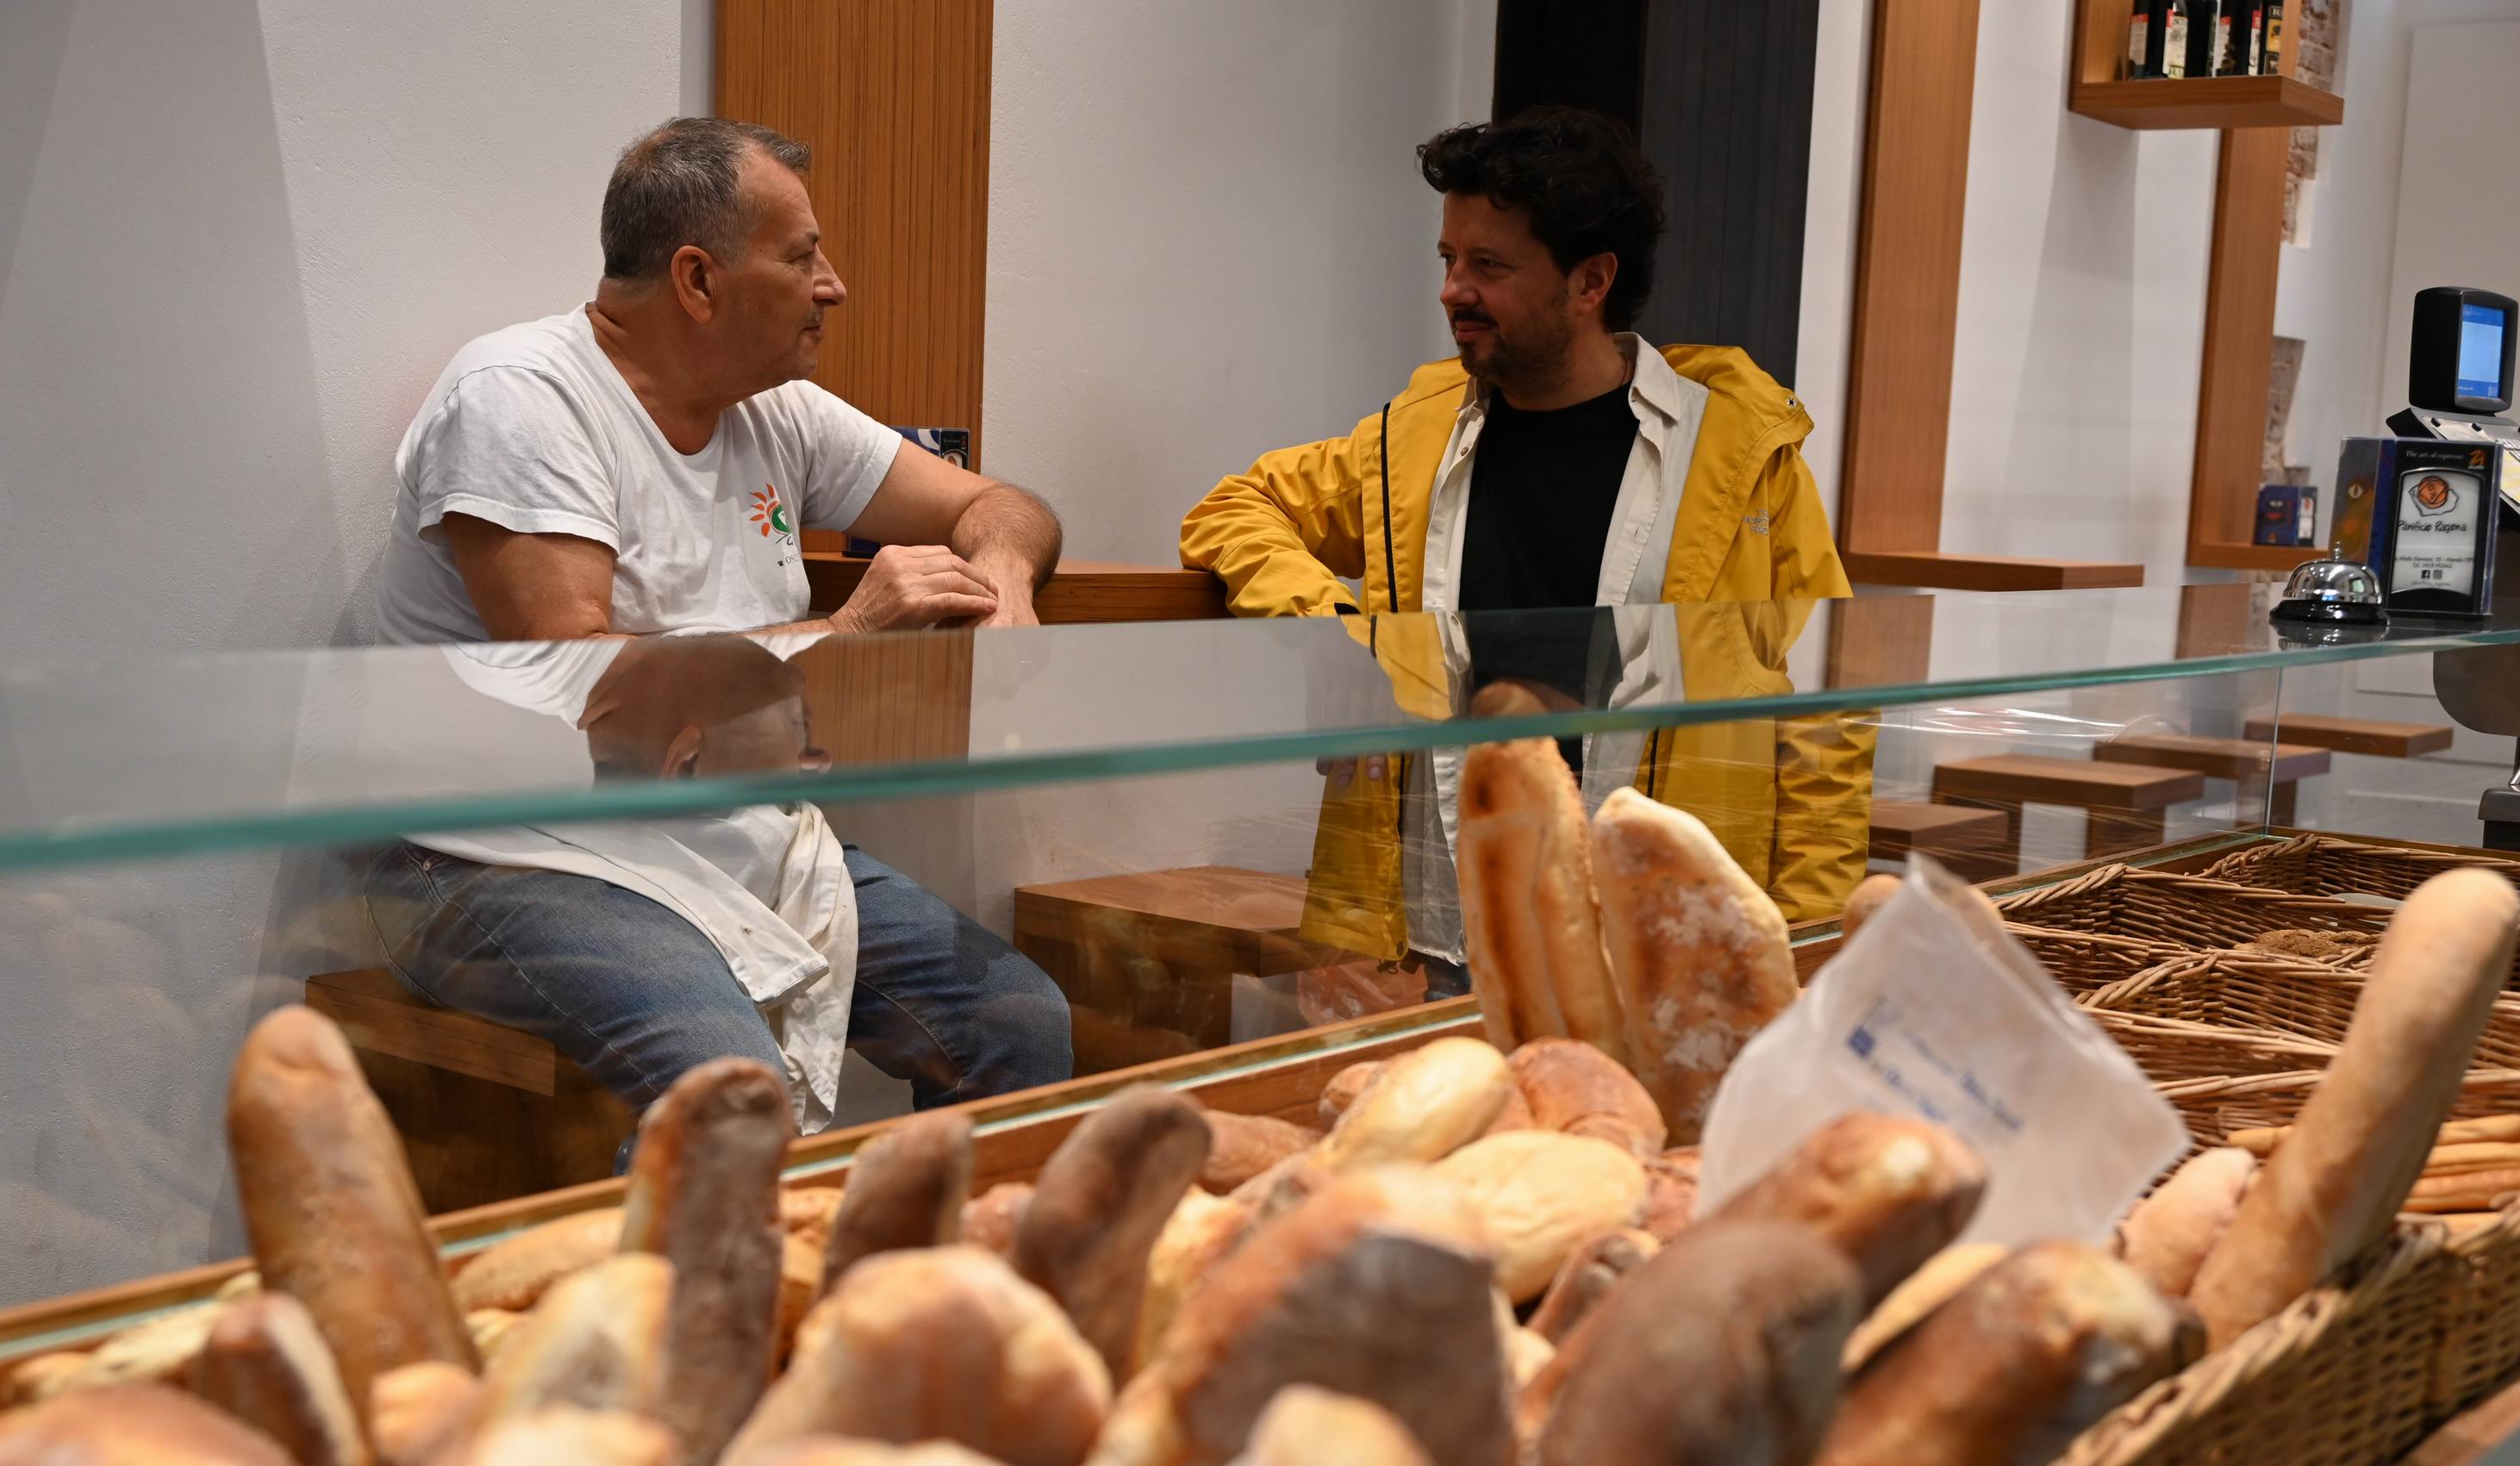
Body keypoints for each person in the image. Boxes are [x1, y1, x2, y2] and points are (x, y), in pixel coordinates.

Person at [363, 116, 1071, 1132]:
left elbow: (1001, 504)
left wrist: (1005, 573)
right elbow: (587, 687)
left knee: (1019, 1021)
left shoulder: (778, 408)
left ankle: (928, 1288)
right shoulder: (519, 396)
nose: (834, 285)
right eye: (802, 257)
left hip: (728, 829)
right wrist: (851, 632)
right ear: (698, 280)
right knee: (726, 1097)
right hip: (497, 848)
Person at [1180, 106, 1871, 989]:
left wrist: (1808, 943)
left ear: (1590, 282)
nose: (1452, 290)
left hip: (1659, 944)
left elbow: (1826, 725)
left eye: (1489, 266)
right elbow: (1236, 507)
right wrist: (1344, 629)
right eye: (1448, 260)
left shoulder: (1741, 460)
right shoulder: (1413, 439)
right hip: (1444, 942)